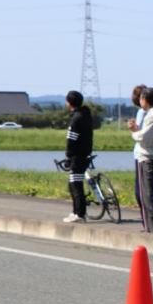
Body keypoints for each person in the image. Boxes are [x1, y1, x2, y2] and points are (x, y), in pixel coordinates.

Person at [128, 86, 153, 234]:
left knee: (148, 196)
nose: (140, 101)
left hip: (147, 158)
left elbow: (145, 138)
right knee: (149, 195)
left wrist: (134, 132)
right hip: (152, 157)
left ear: (145, 99)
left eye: (141, 98)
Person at [61, 90, 93, 223]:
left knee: (75, 185)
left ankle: (79, 214)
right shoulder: (86, 115)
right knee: (75, 183)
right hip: (85, 153)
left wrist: (68, 156)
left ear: (69, 103)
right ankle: (77, 212)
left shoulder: (76, 118)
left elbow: (71, 140)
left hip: (77, 156)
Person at [129, 84, 148, 228]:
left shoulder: (143, 112)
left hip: (141, 154)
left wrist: (132, 128)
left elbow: (140, 133)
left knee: (141, 191)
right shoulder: (151, 112)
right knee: (145, 190)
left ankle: (146, 223)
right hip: (145, 154)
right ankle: (147, 222)